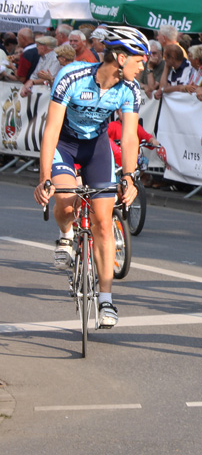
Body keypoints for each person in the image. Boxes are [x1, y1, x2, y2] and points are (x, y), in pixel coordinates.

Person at [33, 26, 148, 330]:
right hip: (65, 144)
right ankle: (67, 233)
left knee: (103, 221)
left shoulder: (130, 90)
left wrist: (129, 176)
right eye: (140, 60)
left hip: (96, 147)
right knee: (67, 201)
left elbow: (129, 137)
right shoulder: (72, 76)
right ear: (121, 58)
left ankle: (106, 299)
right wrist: (45, 177)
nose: (144, 66)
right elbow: (51, 131)